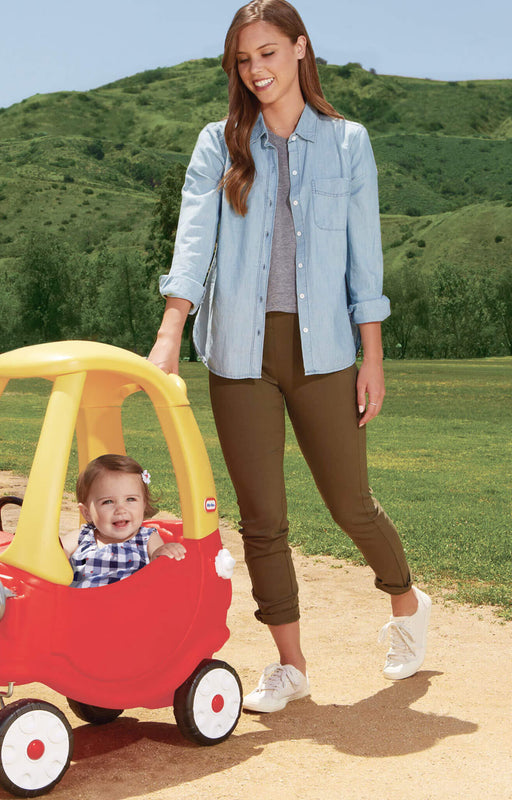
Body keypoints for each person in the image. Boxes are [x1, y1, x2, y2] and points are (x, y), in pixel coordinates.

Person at [148, 0, 431, 713]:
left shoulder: (346, 143)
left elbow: (365, 261)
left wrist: (373, 357)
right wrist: (169, 329)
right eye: (245, 60)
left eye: (269, 53)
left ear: (301, 50)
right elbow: (194, 241)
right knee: (262, 520)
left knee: (350, 505)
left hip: (327, 354)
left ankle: (405, 600)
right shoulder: (218, 144)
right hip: (238, 354)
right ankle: (291, 665)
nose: (258, 70)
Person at [60, 454, 186, 588]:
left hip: (132, 605)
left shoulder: (146, 538)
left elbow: (159, 564)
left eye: (130, 499)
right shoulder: (81, 537)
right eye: (108, 502)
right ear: (87, 512)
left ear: (143, 504)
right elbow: (56, 552)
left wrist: (164, 551)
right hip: (83, 605)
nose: (120, 509)